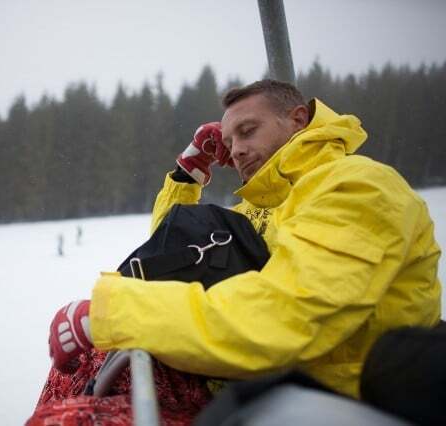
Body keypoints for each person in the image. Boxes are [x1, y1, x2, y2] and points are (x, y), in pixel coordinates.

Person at [48, 79, 442, 399]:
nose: (236, 150)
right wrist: (190, 172)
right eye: (229, 140)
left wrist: (109, 314)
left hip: (342, 393)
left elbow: (287, 317)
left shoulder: (357, 186)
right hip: (272, 381)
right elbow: (176, 254)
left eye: (247, 131)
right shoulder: (266, 208)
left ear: (298, 120)